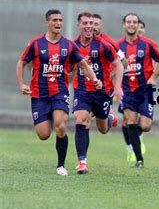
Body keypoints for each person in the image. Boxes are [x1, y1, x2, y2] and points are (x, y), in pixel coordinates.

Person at [15, 9, 102, 175]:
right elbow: (21, 63)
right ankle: (47, 116)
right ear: (48, 22)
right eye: (54, 20)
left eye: (60, 20)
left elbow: (83, 64)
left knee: (61, 126)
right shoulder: (36, 43)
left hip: (59, 92)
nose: (58, 23)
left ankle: (61, 166)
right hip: (39, 94)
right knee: (43, 134)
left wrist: (94, 79)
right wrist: (21, 84)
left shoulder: (68, 45)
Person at [72, 12, 124, 174]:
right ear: (79, 25)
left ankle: (108, 116)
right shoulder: (72, 46)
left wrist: (117, 87)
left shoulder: (103, 45)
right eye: (85, 23)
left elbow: (119, 64)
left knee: (103, 129)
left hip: (102, 92)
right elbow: (68, 68)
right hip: (81, 90)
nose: (89, 26)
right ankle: (82, 162)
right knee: (81, 120)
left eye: (91, 23)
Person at [117, 13, 159, 168]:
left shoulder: (148, 44)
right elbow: (113, 66)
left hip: (145, 90)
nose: (132, 24)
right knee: (130, 121)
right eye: (129, 22)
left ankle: (133, 137)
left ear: (138, 25)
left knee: (145, 126)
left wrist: (154, 77)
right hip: (127, 90)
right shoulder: (117, 46)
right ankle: (139, 159)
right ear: (124, 25)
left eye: (134, 22)